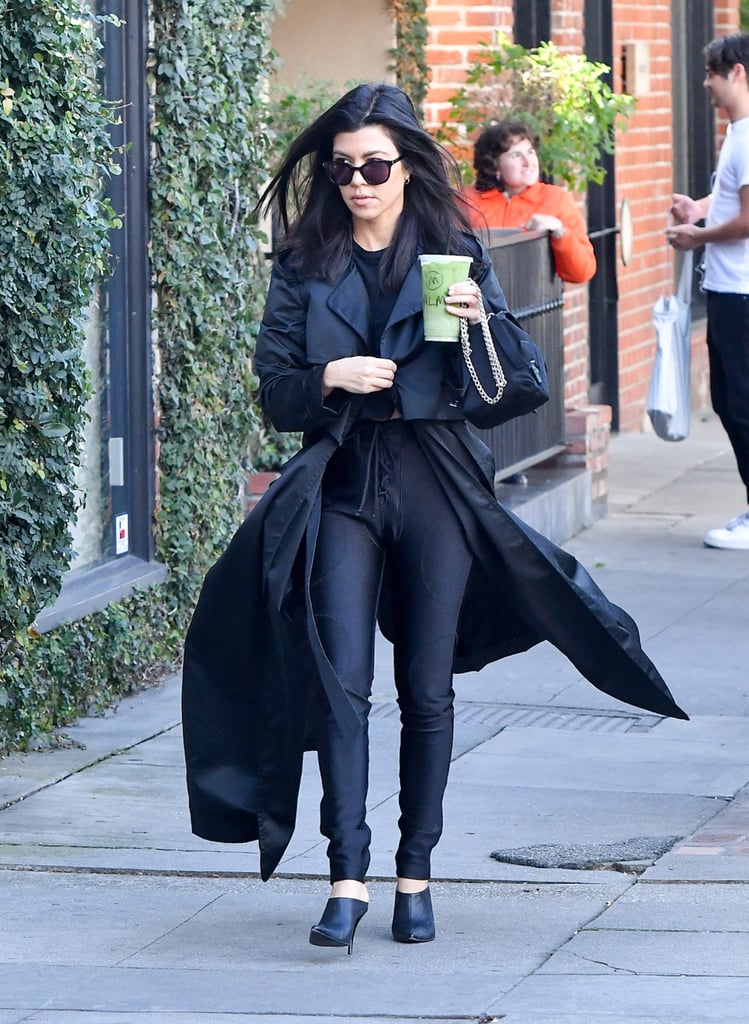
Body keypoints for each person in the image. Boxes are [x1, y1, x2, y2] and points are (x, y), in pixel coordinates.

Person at [182, 83, 686, 956]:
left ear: (407, 168)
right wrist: (331, 380)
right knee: (341, 685)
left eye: (375, 165)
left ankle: (415, 875)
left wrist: (480, 319)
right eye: (342, 169)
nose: (357, 182)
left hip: (436, 483)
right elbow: (273, 393)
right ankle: (347, 878)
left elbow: (512, 388)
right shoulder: (305, 264)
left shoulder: (452, 253)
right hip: (344, 482)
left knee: (426, 689)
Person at [666, 33, 749, 550]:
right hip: (730, 288)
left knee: (737, 402)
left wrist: (698, 235)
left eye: (712, 74)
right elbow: (733, 199)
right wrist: (700, 207)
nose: (706, 84)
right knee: (731, 400)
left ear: (737, 72)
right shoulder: (737, 133)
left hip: (739, 292)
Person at [463, 120, 596, 284]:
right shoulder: (468, 201)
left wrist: (560, 231)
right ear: (495, 166)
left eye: (530, 152)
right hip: (482, 304)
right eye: (516, 155)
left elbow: (581, 273)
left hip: (535, 302)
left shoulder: (556, 199)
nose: (528, 162)